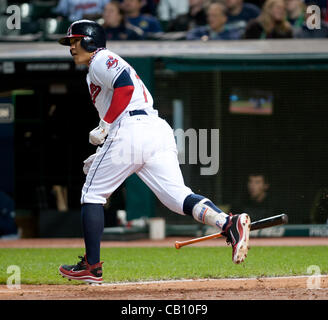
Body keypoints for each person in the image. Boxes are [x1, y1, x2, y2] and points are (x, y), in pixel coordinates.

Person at [57, 20, 251, 283]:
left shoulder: (101, 58)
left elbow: (125, 88)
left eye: (74, 40)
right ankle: (228, 223)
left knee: (92, 194)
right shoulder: (96, 66)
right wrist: (107, 146)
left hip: (132, 127)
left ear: (90, 41)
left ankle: (91, 266)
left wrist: (105, 126)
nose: (71, 47)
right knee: (179, 198)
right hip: (154, 130)